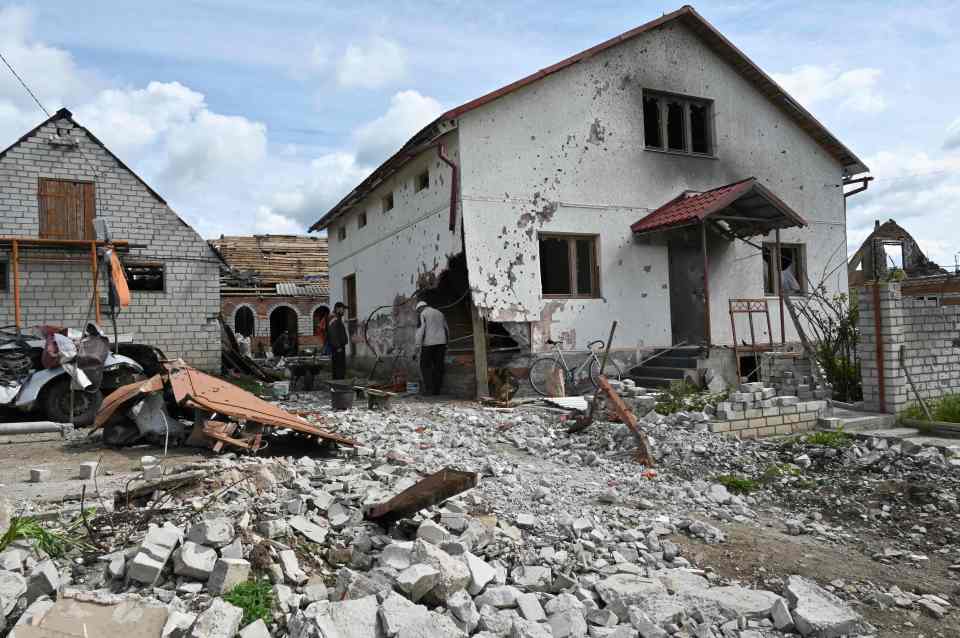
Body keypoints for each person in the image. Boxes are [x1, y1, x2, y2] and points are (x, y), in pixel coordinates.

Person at [414, 300, 449, 395]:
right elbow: (446, 328)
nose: (418, 312)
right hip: (441, 344)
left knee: (425, 366)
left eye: (418, 310)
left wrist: (417, 346)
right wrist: (446, 342)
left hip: (428, 344)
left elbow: (420, 330)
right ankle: (437, 390)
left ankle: (429, 389)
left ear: (420, 308)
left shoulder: (423, 314)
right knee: (438, 367)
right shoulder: (440, 313)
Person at [327, 302, 349, 379]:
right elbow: (332, 333)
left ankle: (338, 383)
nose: (344, 311)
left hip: (338, 346)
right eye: (343, 309)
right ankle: (339, 384)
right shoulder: (334, 318)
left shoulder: (337, 318)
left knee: (339, 366)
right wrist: (338, 346)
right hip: (338, 347)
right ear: (338, 309)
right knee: (339, 367)